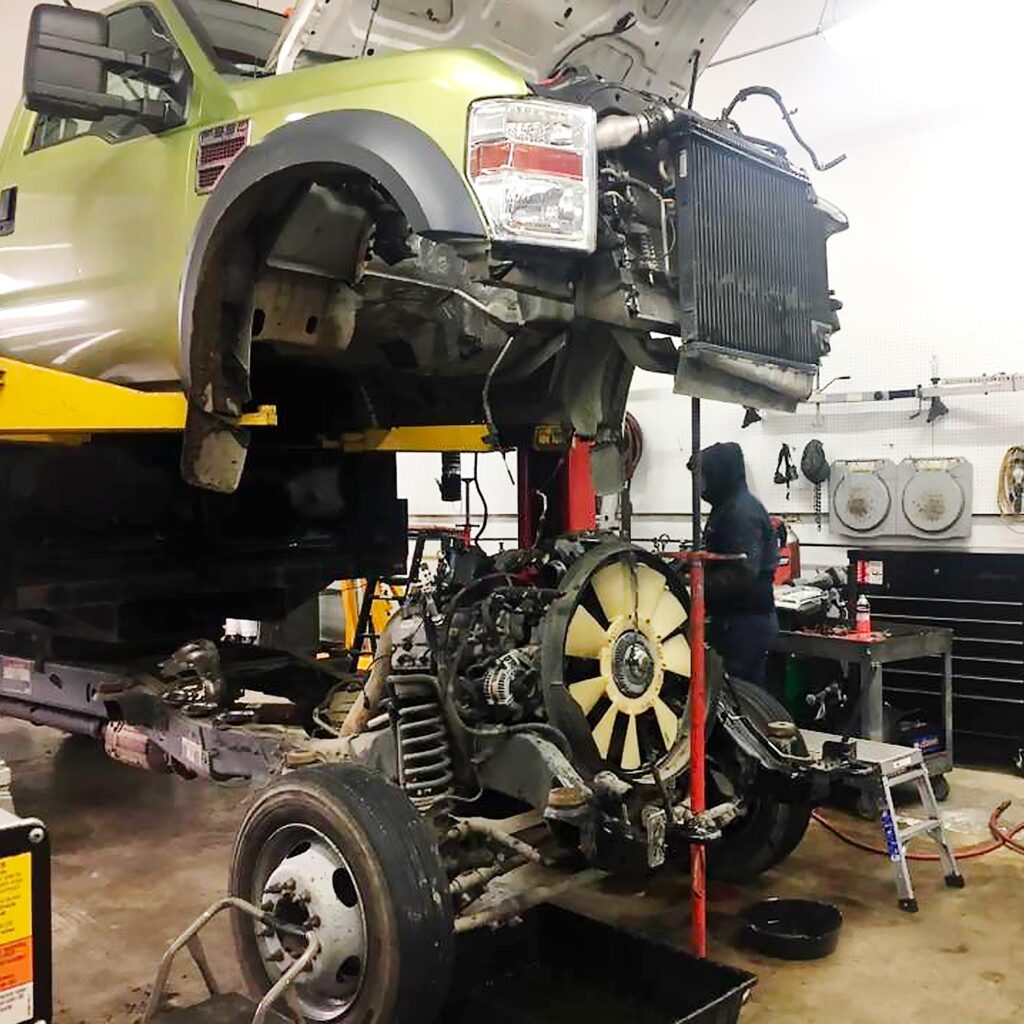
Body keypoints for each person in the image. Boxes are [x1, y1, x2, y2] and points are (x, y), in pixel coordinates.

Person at [689, 442, 779, 686]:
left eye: (705, 477)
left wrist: (696, 589)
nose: (701, 485)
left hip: (744, 625)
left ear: (720, 475)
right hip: (736, 622)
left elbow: (741, 574)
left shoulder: (740, 513)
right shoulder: (728, 507)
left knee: (740, 697)